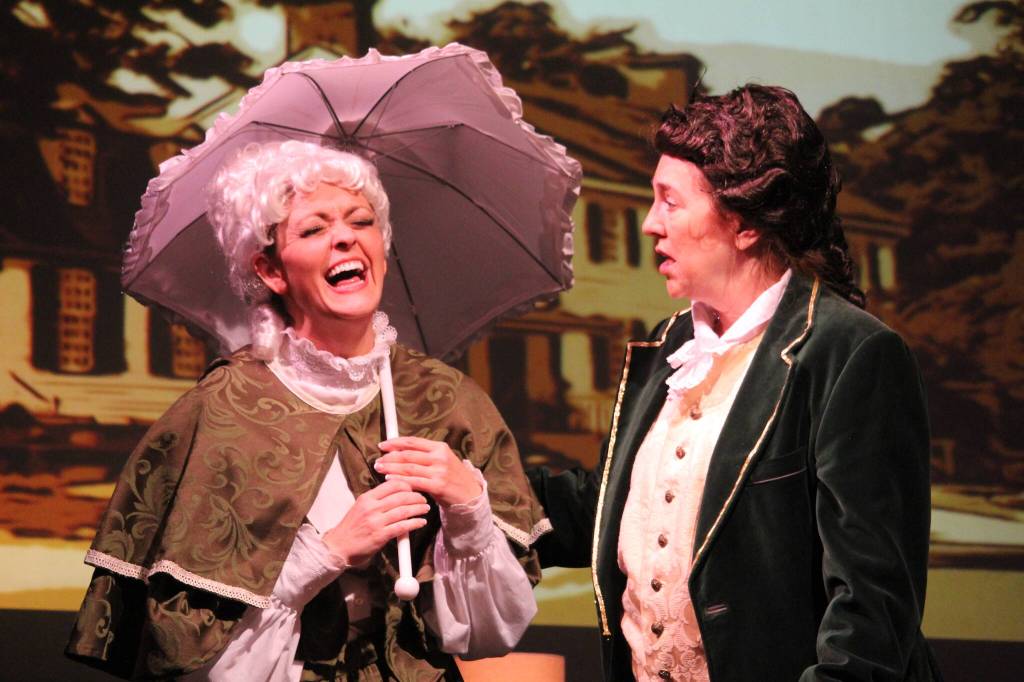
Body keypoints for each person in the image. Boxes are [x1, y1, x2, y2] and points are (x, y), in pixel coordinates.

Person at [66, 140, 550, 680]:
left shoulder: (444, 397)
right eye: (314, 229)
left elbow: (489, 635)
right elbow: (191, 653)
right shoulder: (227, 406)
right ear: (271, 270)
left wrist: (467, 507)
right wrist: (327, 554)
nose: (345, 237)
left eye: (362, 221)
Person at [529, 85, 942, 681]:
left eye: (670, 202)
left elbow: (871, 611)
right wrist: (473, 493)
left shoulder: (849, 355)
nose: (649, 224)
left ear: (744, 224)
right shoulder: (669, 346)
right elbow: (610, 509)